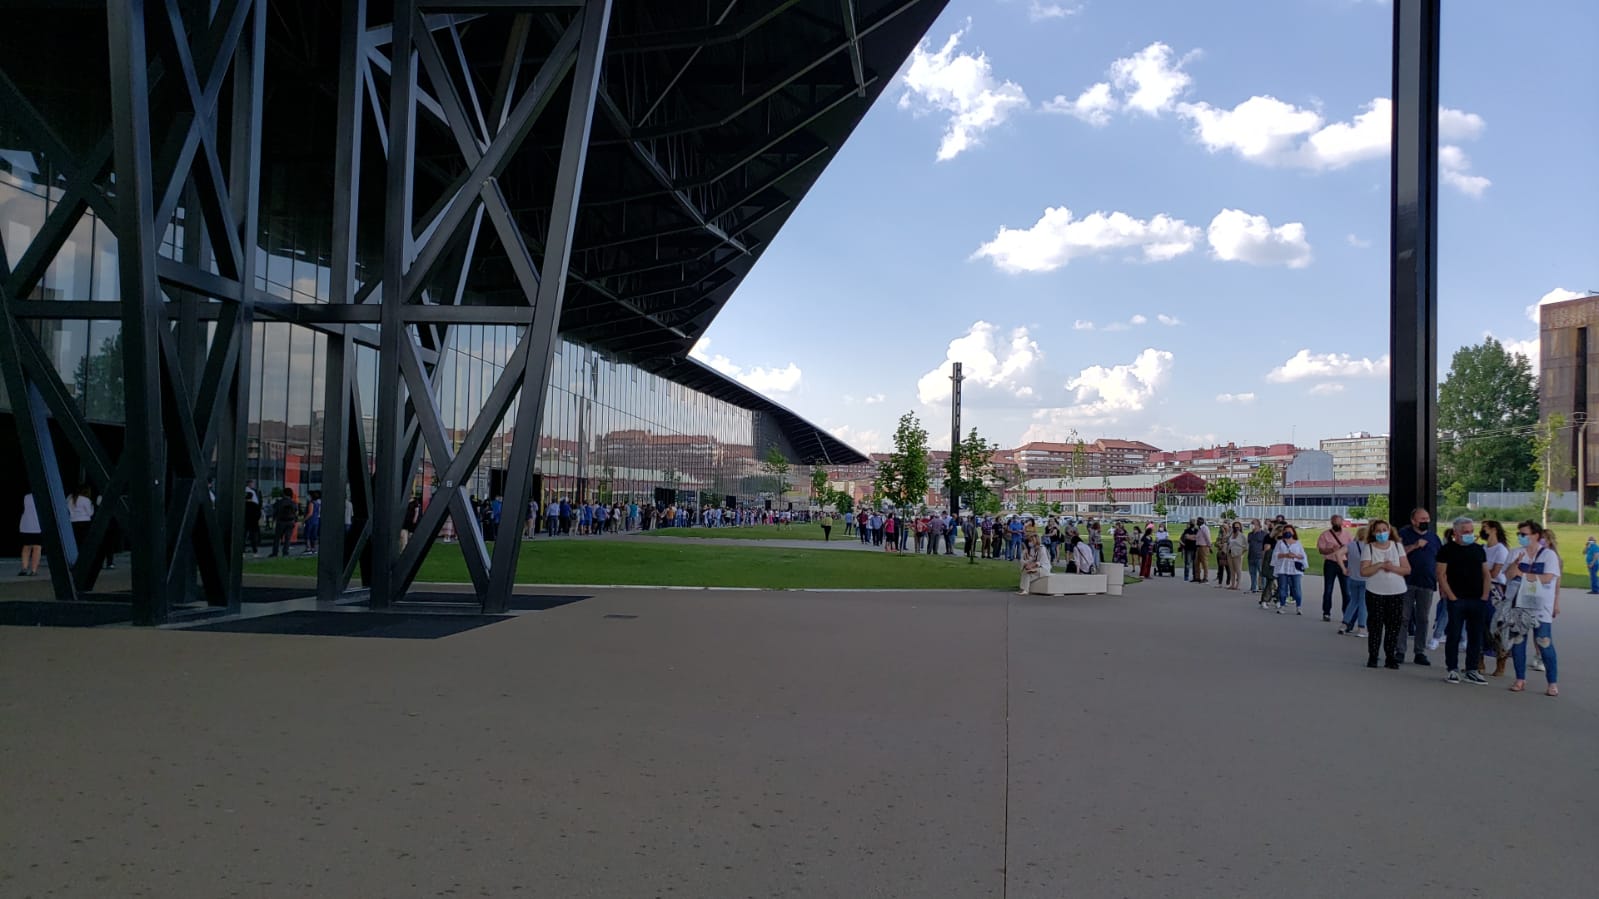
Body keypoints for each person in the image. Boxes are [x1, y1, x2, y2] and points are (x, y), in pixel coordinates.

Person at [1501, 521, 1561, 696]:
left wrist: (1524, 575)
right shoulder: (1515, 553)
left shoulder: (1548, 555)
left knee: (1544, 641)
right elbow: (1509, 575)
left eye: (1524, 534)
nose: (1520, 537)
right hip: (1518, 605)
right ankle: (1520, 679)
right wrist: (1515, 565)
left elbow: (1548, 578)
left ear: (1536, 535)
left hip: (1541, 606)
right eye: (1519, 534)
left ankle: (1552, 682)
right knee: (1518, 641)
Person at [1435, 516, 1491, 685]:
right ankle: (1452, 668)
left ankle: (1472, 669)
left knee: (1476, 636)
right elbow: (1441, 574)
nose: (1469, 534)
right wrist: (1451, 595)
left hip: (1477, 598)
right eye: (1465, 532)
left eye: (1471, 531)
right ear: (1456, 533)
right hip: (1457, 598)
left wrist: (1485, 595)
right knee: (1454, 634)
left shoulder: (1478, 550)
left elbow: (1486, 573)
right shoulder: (1447, 550)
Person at [1361, 519, 1411, 668]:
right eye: (1378, 530)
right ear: (1373, 532)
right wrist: (1379, 565)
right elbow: (1364, 571)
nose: (1382, 533)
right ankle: (1373, 655)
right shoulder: (1369, 548)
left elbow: (1407, 569)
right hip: (1375, 591)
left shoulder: (1397, 547)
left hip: (1396, 591)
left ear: (1389, 531)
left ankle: (1390, 655)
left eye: (1384, 530)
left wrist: (1392, 568)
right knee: (1375, 625)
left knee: (1394, 625)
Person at [1396, 507, 1442, 666]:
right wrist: (1415, 545)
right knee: (1403, 617)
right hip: (1407, 582)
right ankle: (1400, 650)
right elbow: (1398, 554)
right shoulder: (1404, 534)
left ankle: (1420, 651)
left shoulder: (1434, 538)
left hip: (1427, 582)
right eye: (1422, 519)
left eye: (1427, 519)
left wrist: (1440, 580)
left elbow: (1439, 561)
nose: (1425, 522)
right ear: (1413, 521)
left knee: (1423, 618)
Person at [1481, 520, 1512, 676]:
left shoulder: (1501, 550)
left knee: (1495, 626)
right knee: (1479, 626)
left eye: (1485, 528)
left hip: (1495, 590)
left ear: (1493, 530)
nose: (1482, 530)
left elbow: (1494, 573)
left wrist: (1480, 569)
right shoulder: (1483, 548)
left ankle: (1501, 660)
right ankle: (1479, 662)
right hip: (1481, 587)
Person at [1317, 515, 1351, 622]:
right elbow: (1321, 550)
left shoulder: (1347, 535)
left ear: (1342, 522)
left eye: (1339, 522)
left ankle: (1347, 613)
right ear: (1331, 523)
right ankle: (1326, 612)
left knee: (1346, 590)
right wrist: (1331, 549)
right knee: (1328, 589)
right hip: (1330, 563)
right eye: (1334, 522)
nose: (1337, 524)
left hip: (1344, 563)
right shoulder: (1325, 535)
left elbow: (1352, 550)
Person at [1272, 526, 1308, 613]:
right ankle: (1282, 605)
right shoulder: (1280, 543)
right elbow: (1275, 555)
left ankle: (1298, 606)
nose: (1287, 532)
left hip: (1294, 569)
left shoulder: (1297, 543)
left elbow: (1302, 555)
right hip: (1283, 568)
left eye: (1289, 531)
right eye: (1286, 531)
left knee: (1296, 588)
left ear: (1293, 532)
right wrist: (1285, 555)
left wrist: (1295, 556)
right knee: (1282, 588)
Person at [17, 491, 42, 577]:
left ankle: (24, 568)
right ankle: (33, 570)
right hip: (37, 526)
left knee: (26, 547)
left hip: (25, 525)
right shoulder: (43, 497)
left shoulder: (27, 496)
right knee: (37, 548)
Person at [270, 489, 299, 558]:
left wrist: (273, 521)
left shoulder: (279, 502)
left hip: (281, 522)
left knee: (277, 538)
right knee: (287, 538)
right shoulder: (293, 503)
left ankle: (275, 553)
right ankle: (285, 552)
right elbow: (296, 511)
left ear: (284, 494)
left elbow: (275, 512)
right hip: (290, 522)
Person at [66, 484, 94, 556]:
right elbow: (90, 513)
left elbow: (68, 511)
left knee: (75, 540)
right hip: (85, 521)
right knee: (84, 541)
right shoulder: (86, 500)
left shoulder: (69, 498)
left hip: (73, 521)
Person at [1225, 521, 1246, 591]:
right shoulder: (1231, 534)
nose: (1236, 528)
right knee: (1232, 570)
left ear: (1240, 527)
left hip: (1237, 554)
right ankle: (1232, 584)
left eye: (1238, 527)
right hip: (1230, 553)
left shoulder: (1242, 536)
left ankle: (1238, 585)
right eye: (1235, 527)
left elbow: (1246, 546)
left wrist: (1241, 553)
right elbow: (1227, 540)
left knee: (1238, 569)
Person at [243, 486, 262, 556]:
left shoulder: (243, 505)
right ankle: (255, 551)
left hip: (245, 523)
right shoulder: (255, 505)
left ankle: (243, 551)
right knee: (253, 538)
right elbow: (258, 514)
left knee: (243, 538)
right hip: (254, 523)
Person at [1193, 517, 1211, 583]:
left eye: (1197, 521)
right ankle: (1197, 577)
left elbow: (1207, 537)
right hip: (1198, 547)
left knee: (1204, 562)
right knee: (1196, 562)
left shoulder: (1204, 528)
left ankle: (1205, 577)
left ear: (1201, 521)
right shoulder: (1199, 529)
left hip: (1204, 547)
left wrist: (1209, 546)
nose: (1196, 523)